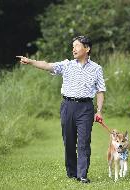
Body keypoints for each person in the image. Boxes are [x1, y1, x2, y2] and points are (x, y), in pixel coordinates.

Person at [16, 35, 106, 183]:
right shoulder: (67, 65)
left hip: (86, 108)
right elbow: (47, 65)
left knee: (84, 142)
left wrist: (99, 110)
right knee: (69, 141)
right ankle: (72, 172)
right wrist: (31, 61)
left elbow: (100, 90)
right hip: (68, 106)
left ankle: (82, 175)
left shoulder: (96, 68)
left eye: (77, 45)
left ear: (87, 48)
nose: (74, 49)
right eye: (73, 46)